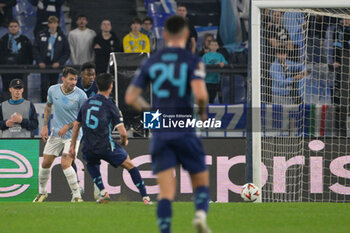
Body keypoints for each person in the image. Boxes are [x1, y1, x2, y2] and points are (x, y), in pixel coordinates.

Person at [125, 16, 211, 233]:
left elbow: (130, 97)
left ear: (164, 35)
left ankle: (165, 230)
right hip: (185, 128)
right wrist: (202, 113)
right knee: (200, 180)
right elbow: (201, 95)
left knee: (165, 191)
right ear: (186, 36)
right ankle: (200, 215)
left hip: (161, 131)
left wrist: (151, 113)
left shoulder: (152, 61)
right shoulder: (193, 61)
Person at [69, 73, 152, 205]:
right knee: (130, 166)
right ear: (111, 86)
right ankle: (145, 197)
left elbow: (76, 125)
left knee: (91, 163)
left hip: (88, 146)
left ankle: (103, 191)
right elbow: (123, 133)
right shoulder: (110, 105)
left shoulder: (86, 103)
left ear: (97, 85)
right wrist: (124, 141)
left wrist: (72, 146)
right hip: (105, 145)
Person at [33, 67, 87, 203]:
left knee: (65, 163)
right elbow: (48, 106)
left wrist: (68, 126)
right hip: (56, 133)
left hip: (73, 135)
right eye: (71, 79)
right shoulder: (53, 90)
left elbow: (84, 118)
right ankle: (42, 193)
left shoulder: (81, 96)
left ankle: (76, 196)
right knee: (45, 163)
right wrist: (44, 125)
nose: (74, 82)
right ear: (63, 79)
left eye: (75, 79)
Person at [32, 16, 70, 102]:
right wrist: (39, 61)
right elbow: (35, 49)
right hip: (44, 64)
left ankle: (53, 104)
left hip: (55, 65)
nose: (53, 25)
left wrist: (59, 62)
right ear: (48, 24)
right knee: (44, 85)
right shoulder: (41, 34)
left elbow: (67, 52)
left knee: (54, 85)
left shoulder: (62, 36)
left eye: (54, 23)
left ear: (57, 24)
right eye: (51, 23)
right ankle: (43, 104)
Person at [0, 20, 32, 100]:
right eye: (11, 26)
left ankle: (21, 107)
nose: (13, 28)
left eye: (15, 26)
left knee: (19, 89)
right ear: (8, 28)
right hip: (6, 70)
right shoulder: (3, 40)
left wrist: (28, 67)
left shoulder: (25, 40)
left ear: (18, 27)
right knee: (7, 89)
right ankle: (5, 107)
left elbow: (30, 54)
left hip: (21, 70)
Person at [333, 18, 350, 136]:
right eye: (344, 18)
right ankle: (341, 129)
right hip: (342, 63)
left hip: (347, 59)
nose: (346, 20)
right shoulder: (338, 29)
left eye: (348, 19)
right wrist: (336, 59)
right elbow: (335, 46)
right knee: (342, 93)